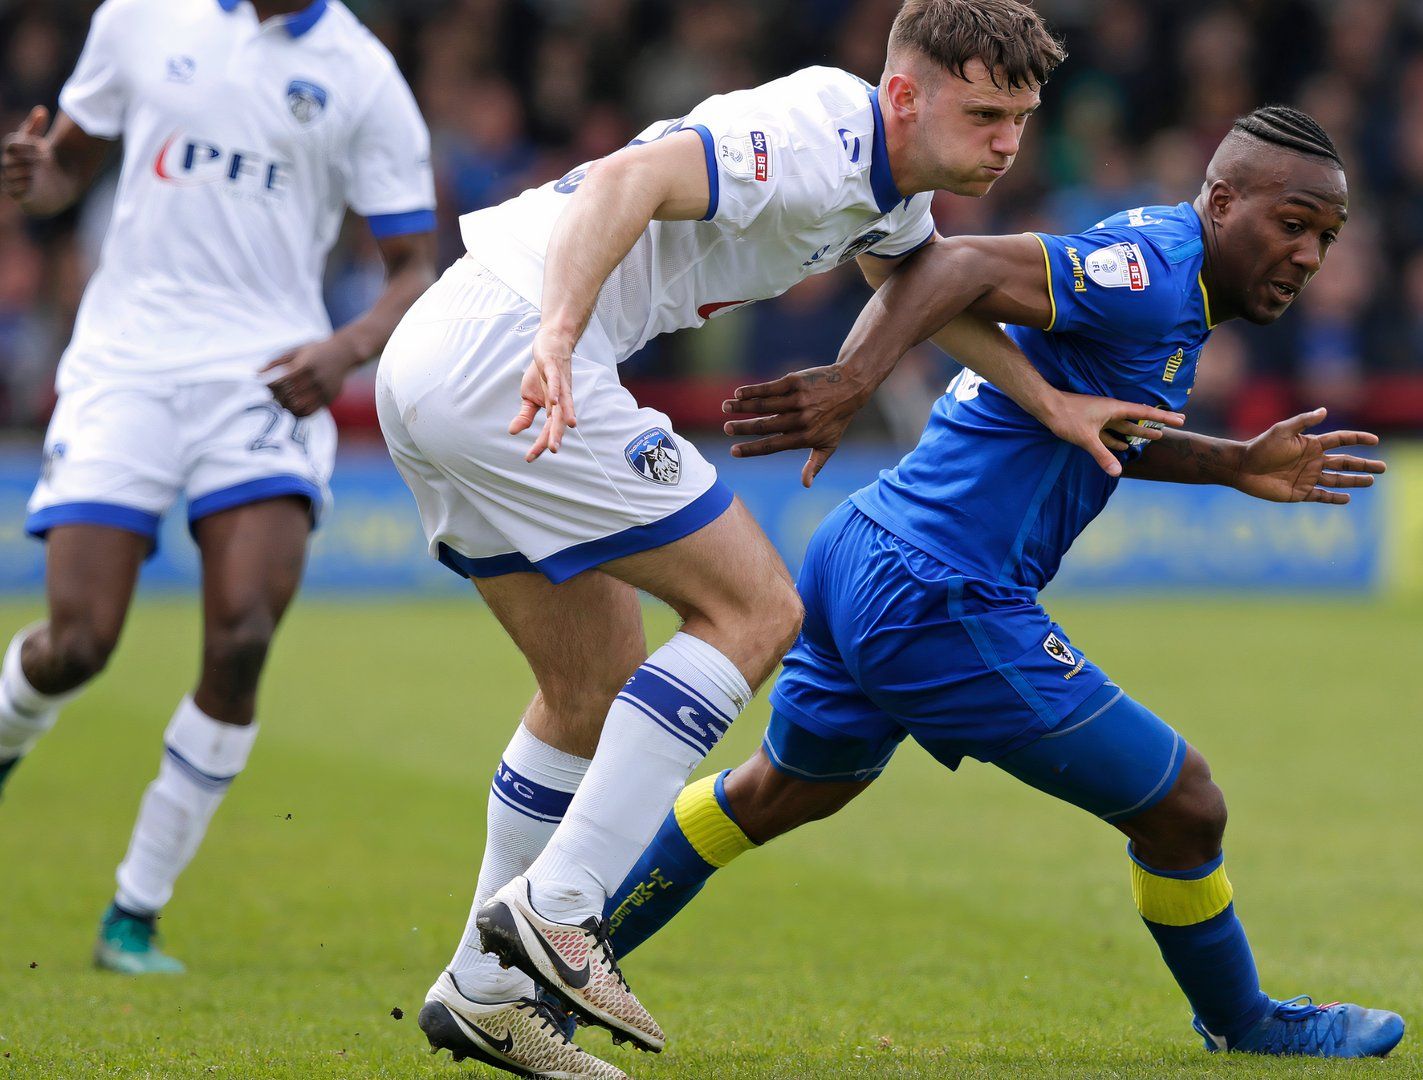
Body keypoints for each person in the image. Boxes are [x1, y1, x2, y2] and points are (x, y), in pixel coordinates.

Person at [379, 4, 1177, 1076]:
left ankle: (485, 992)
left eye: (1022, 120)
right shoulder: (816, 135)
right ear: (904, 96)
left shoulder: (885, 191)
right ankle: (561, 908)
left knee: (590, 687)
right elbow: (627, 179)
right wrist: (562, 339)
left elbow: (919, 285)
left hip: (439, 362)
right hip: (516, 350)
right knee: (758, 610)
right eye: (984, 113)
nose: (1005, 143)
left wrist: (1051, 401)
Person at [599, 105, 1407, 1060]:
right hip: (941, 592)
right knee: (1185, 803)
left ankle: (555, 960)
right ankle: (1246, 1025)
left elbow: (1092, 425)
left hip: (865, 547)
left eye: (1327, 237)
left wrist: (1234, 466)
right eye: (1293, 223)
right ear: (1223, 201)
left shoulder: (1168, 288)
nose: (1309, 255)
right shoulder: (1149, 274)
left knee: (781, 790)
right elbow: (953, 265)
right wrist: (855, 380)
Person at [0, 0, 436, 974]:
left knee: (240, 637)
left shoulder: (362, 73)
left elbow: (413, 264)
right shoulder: (139, 18)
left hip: (267, 371)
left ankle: (134, 911)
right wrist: (37, 179)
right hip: (126, 364)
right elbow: (71, 160)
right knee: (79, 643)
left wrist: (347, 349)